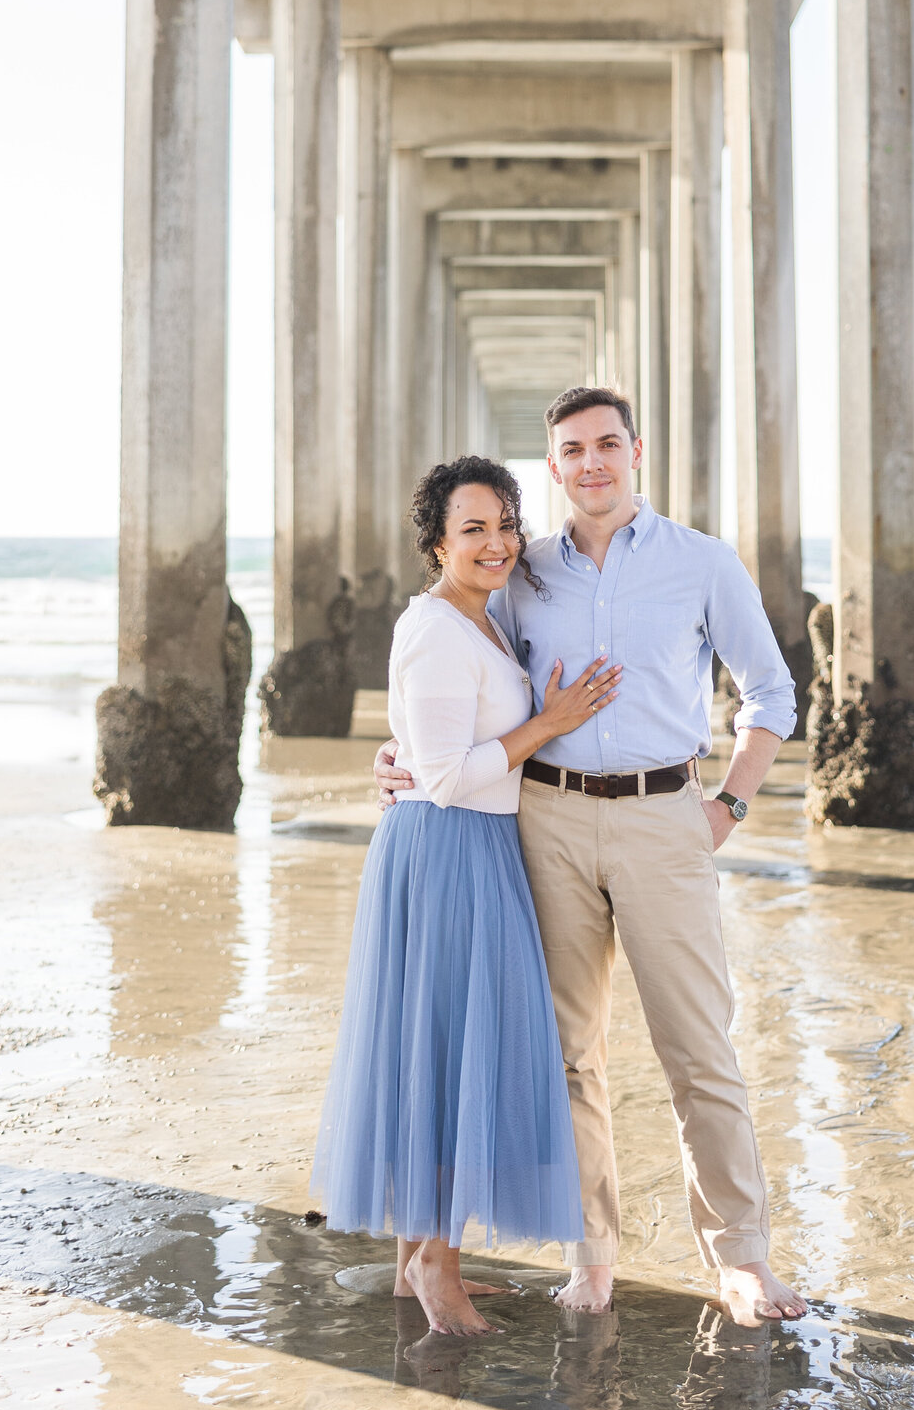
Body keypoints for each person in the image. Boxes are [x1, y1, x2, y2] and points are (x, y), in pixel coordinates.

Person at [376, 389, 808, 1326]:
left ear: (636, 452)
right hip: (547, 823)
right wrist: (400, 755)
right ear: (555, 468)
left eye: (608, 444)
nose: (592, 462)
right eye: (572, 450)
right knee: (568, 1056)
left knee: (699, 1049)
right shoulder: (519, 571)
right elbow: (457, 674)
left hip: (666, 818)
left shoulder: (702, 563)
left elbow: (771, 692)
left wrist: (729, 801)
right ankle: (594, 1258)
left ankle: (740, 1260)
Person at [311, 454, 622, 1337]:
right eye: (471, 529)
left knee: (439, 1050)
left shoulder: (480, 623)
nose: (493, 543)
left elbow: (424, 740)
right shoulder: (438, 625)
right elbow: (446, 776)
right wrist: (550, 725)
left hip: (473, 845)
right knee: (452, 1059)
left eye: (503, 525)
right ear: (437, 543)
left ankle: (418, 1262)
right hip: (449, 849)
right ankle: (438, 1270)